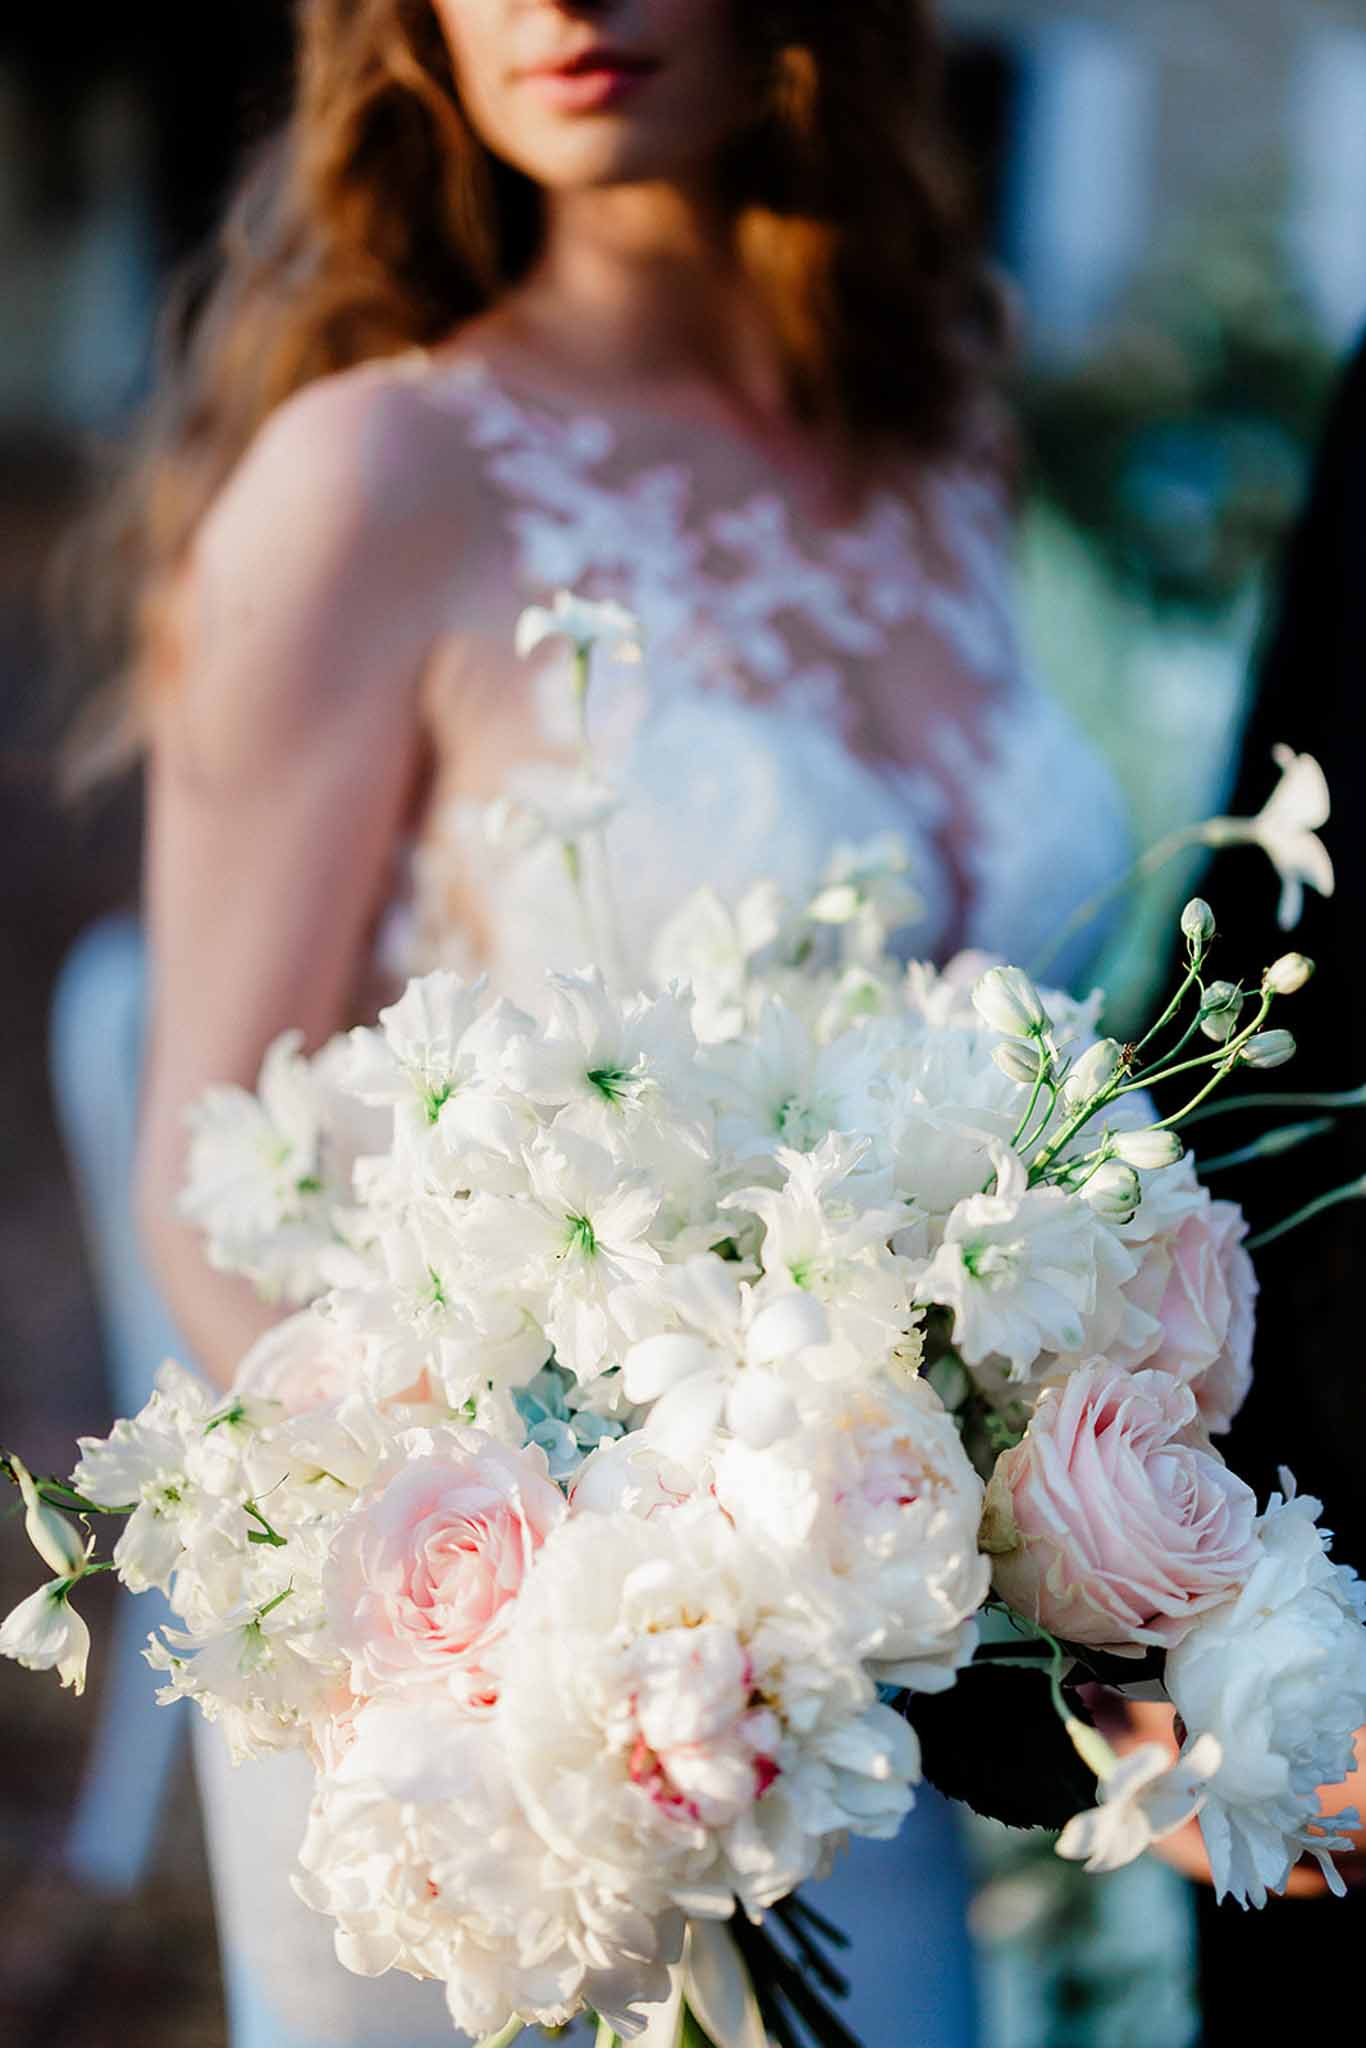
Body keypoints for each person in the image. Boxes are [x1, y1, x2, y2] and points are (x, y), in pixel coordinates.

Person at [68, 3, 1132, 2041]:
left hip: (874, 1654)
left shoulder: (935, 440)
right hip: (509, 1704)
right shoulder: (371, 471)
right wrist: (575, 1613)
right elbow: (207, 1178)